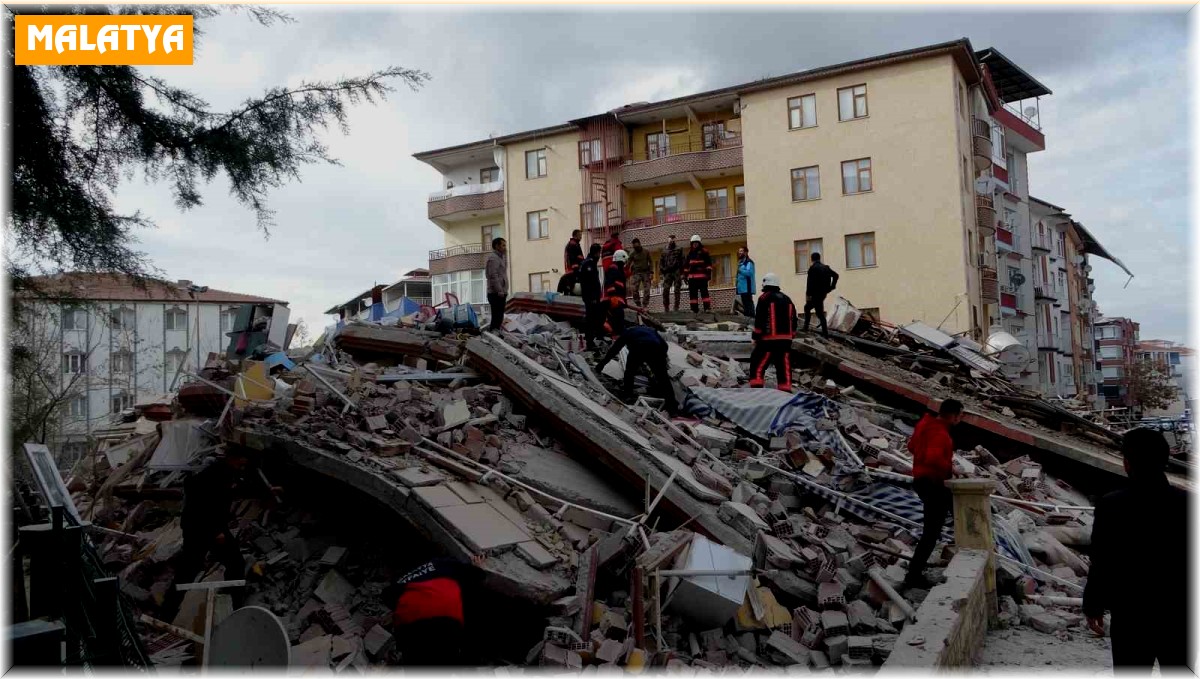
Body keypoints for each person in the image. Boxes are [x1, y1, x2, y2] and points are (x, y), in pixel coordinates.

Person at [1083, 428, 1191, 671]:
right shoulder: (1188, 504)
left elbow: (1101, 561)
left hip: (1131, 615)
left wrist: (1093, 605)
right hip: (1180, 614)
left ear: (1127, 463)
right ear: (1165, 461)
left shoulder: (1111, 505)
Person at [904, 399, 963, 589]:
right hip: (932, 483)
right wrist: (950, 469)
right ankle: (913, 575)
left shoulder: (925, 424)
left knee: (954, 513)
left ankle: (960, 551)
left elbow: (912, 447)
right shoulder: (940, 433)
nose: (960, 420)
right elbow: (934, 458)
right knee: (931, 533)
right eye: (960, 416)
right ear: (953, 415)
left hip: (922, 480)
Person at [383, 557, 485, 666]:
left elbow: (387, 595)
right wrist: (478, 568)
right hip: (444, 615)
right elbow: (476, 576)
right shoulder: (448, 564)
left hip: (409, 621)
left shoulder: (403, 579)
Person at [595, 325, 678, 415]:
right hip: (656, 348)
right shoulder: (650, 330)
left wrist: (600, 365)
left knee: (629, 372)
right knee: (663, 378)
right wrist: (662, 358)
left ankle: (627, 394)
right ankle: (672, 407)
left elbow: (614, 350)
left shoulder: (626, 333)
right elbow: (664, 345)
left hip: (639, 346)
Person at [747, 273, 795, 391]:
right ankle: (785, 393)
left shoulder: (764, 298)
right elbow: (794, 319)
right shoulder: (787, 299)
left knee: (757, 364)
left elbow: (760, 320)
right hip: (785, 342)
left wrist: (756, 337)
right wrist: (791, 336)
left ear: (765, 285)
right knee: (784, 368)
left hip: (768, 340)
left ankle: (756, 390)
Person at [802, 251, 839, 337]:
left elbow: (809, 283)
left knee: (816, 312)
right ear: (819, 258)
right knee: (814, 310)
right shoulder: (826, 268)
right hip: (823, 294)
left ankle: (809, 329)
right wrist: (831, 287)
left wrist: (808, 295)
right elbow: (836, 275)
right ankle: (821, 332)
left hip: (815, 294)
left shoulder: (813, 268)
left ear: (812, 259)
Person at [579, 243, 604, 350]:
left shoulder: (590, 263)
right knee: (591, 319)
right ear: (596, 252)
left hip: (592, 297)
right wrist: (593, 297)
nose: (600, 255)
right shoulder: (588, 264)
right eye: (599, 253)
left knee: (595, 318)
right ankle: (590, 342)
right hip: (591, 298)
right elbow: (590, 283)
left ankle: (594, 339)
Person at [685, 234, 713, 313]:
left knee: (704, 293)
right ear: (691, 243)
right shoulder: (690, 253)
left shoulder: (704, 252)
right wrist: (685, 276)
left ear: (699, 243)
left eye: (696, 242)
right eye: (693, 243)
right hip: (692, 278)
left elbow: (709, 264)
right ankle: (694, 309)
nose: (695, 244)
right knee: (693, 295)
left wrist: (708, 274)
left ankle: (707, 308)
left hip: (702, 277)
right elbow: (686, 265)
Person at [485, 237, 508, 332]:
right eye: (503, 245)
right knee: (496, 317)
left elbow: (502, 273)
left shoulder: (501, 257)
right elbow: (493, 275)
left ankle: (496, 334)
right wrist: (500, 290)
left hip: (501, 292)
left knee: (499, 317)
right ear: (497, 246)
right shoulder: (493, 258)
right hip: (496, 293)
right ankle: (493, 335)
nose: (505, 247)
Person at [604, 249, 629, 336]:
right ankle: (617, 336)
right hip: (614, 300)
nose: (625, 264)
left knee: (619, 320)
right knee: (617, 320)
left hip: (617, 299)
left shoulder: (619, 270)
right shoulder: (613, 269)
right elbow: (610, 283)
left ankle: (618, 336)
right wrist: (613, 297)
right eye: (624, 261)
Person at [626, 238, 653, 308]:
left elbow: (651, 262)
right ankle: (638, 304)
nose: (635, 248)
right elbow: (628, 264)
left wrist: (651, 272)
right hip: (636, 273)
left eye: (636, 246)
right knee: (634, 289)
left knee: (647, 289)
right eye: (634, 247)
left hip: (645, 272)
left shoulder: (646, 251)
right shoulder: (632, 253)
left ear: (639, 244)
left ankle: (645, 305)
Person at [659, 235, 683, 312]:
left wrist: (682, 272)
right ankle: (666, 307)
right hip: (668, 272)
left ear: (675, 240)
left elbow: (683, 260)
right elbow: (661, 262)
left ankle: (676, 307)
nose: (672, 241)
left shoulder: (679, 249)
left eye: (673, 239)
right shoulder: (664, 250)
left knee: (677, 290)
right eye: (670, 239)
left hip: (676, 271)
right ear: (668, 240)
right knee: (665, 290)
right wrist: (663, 270)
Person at [558, 230, 584, 295]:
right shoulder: (573, 245)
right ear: (576, 235)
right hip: (573, 270)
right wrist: (578, 269)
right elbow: (573, 258)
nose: (581, 237)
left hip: (571, 270)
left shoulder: (573, 244)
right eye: (580, 235)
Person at [736, 247, 756, 318]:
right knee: (745, 304)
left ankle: (752, 318)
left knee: (749, 303)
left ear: (746, 252)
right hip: (742, 288)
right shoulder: (741, 263)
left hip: (747, 287)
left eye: (741, 251)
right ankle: (747, 318)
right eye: (739, 251)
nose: (740, 252)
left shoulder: (748, 262)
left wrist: (740, 271)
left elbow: (749, 273)